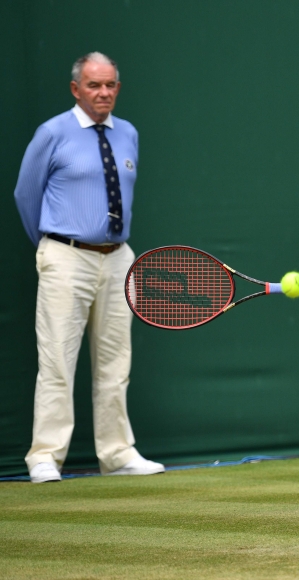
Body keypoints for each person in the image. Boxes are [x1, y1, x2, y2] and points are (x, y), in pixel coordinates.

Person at [14, 52, 164, 483]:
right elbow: (27, 195)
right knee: (58, 359)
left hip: (118, 258)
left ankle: (117, 454)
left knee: (116, 363)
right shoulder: (52, 132)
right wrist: (54, 246)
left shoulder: (128, 133)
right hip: (65, 256)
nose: (104, 93)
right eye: (95, 85)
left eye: (111, 85)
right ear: (76, 88)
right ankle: (45, 457)